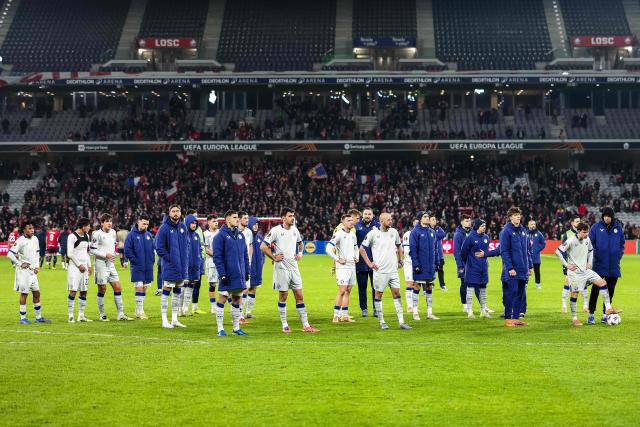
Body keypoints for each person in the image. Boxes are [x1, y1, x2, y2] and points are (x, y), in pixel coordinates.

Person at [261, 207, 320, 333]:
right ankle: (284, 325)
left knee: (300, 296)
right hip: (282, 269)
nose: (292, 218)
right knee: (284, 295)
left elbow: (300, 243)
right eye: (289, 216)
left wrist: (300, 253)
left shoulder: (295, 230)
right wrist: (274, 257)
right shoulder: (276, 230)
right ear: (283, 218)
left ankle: (306, 325)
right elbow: (263, 246)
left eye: (293, 215)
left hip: (294, 268)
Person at [556, 222, 620, 326]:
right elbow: (558, 251)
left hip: (585, 270)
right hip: (574, 273)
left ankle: (608, 308)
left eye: (587, 232)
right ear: (579, 231)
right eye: (584, 232)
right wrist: (567, 265)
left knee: (602, 283)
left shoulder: (587, 239)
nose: (586, 234)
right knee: (574, 294)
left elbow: (591, 251)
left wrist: (590, 262)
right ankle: (574, 319)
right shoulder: (571, 240)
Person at [359, 212, 411, 330]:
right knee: (378, 294)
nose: (390, 221)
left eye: (391, 219)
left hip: (393, 271)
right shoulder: (373, 233)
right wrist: (369, 263)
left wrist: (400, 260)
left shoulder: (394, 232)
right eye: (388, 220)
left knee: (397, 294)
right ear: (381, 221)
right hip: (380, 271)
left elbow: (399, 246)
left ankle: (401, 322)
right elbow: (361, 249)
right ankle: (382, 322)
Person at [212, 210, 250, 337]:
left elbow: (245, 255)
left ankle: (236, 327)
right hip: (226, 275)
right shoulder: (220, 236)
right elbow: (217, 257)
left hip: (239, 275)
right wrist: (222, 274)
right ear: (227, 220)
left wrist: (247, 271)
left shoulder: (240, 235)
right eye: (234, 217)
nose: (237, 219)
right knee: (222, 298)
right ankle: (220, 328)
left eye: (237, 217)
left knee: (237, 299)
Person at [90, 213, 132, 321]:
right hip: (100, 264)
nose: (109, 223)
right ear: (102, 222)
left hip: (111, 264)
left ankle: (121, 314)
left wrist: (113, 254)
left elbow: (113, 245)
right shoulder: (96, 234)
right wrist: (105, 255)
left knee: (118, 287)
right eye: (107, 221)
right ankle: (102, 314)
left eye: (111, 221)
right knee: (102, 288)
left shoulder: (113, 233)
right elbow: (92, 249)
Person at [7, 221, 51, 324]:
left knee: (37, 293)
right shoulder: (20, 241)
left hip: (32, 271)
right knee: (24, 294)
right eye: (29, 228)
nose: (32, 230)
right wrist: (19, 263)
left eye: (32, 228)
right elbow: (10, 254)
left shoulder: (35, 239)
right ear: (24, 230)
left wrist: (37, 266)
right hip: (23, 272)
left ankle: (39, 317)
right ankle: (23, 318)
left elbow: (37, 253)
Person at [587, 207, 625, 324]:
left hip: (613, 265)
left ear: (612, 217)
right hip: (598, 265)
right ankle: (591, 314)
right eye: (605, 216)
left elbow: (622, 244)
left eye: (608, 216)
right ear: (602, 216)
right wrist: (595, 255)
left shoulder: (618, 228)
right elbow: (589, 243)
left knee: (610, 291)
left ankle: (605, 314)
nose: (606, 218)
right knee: (595, 291)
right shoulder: (596, 228)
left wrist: (618, 255)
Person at [155, 204, 189, 329]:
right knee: (166, 292)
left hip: (181, 266)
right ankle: (164, 320)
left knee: (177, 293)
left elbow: (187, 244)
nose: (176, 213)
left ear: (180, 213)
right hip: (170, 266)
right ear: (169, 213)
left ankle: (174, 319)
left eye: (178, 211)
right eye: (173, 211)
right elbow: (159, 247)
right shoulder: (164, 228)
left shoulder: (183, 227)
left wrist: (185, 259)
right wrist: (170, 259)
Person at [460, 219, 500, 318]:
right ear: (477, 226)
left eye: (484, 225)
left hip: (483, 268)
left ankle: (483, 311)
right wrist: (469, 262)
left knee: (483, 289)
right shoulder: (470, 238)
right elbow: (463, 252)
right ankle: (470, 311)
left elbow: (485, 252)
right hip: (472, 268)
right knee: (470, 289)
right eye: (482, 226)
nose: (484, 227)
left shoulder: (486, 237)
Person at [499, 207, 532, 327]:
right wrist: (510, 268)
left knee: (520, 294)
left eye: (519, 215)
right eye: (515, 215)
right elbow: (504, 251)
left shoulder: (523, 230)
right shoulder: (506, 231)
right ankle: (508, 319)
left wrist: (529, 266)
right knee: (511, 293)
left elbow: (526, 251)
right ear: (510, 217)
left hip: (523, 269)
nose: (518, 217)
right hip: (513, 269)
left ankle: (516, 318)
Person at [327, 213, 359, 323]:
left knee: (348, 291)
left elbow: (356, 247)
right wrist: (337, 259)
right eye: (349, 220)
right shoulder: (339, 234)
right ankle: (336, 315)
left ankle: (344, 315)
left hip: (352, 266)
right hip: (343, 267)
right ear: (343, 222)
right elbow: (328, 248)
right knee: (342, 290)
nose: (351, 222)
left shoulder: (353, 234)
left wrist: (357, 256)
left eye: (352, 220)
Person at [124, 214, 155, 319]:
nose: (145, 226)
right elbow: (127, 250)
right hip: (137, 266)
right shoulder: (131, 235)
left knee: (145, 288)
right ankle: (141, 311)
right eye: (144, 223)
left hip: (148, 267)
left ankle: (138, 310)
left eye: (147, 224)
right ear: (138, 222)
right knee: (139, 287)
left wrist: (152, 260)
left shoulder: (149, 235)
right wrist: (134, 261)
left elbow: (152, 249)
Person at [410, 211, 439, 320]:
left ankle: (429, 312)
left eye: (428, 216)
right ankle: (415, 312)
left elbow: (435, 249)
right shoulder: (415, 232)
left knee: (430, 286)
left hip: (430, 266)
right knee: (417, 286)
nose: (427, 218)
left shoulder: (431, 231)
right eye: (425, 217)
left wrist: (436, 262)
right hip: (420, 265)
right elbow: (413, 250)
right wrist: (416, 265)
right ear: (420, 219)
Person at [66, 218, 93, 323]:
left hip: (84, 267)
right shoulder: (72, 237)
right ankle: (70, 315)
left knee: (84, 291)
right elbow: (70, 254)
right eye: (88, 226)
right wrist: (79, 265)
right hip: (74, 267)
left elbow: (86, 252)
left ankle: (81, 315)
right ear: (83, 226)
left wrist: (89, 265)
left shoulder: (86, 236)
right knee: (73, 291)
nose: (89, 228)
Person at [355, 207, 380, 317]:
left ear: (372, 215)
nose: (367, 216)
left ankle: (376, 308)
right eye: (365, 214)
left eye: (369, 214)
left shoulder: (378, 226)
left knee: (375, 287)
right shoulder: (356, 227)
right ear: (362, 215)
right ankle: (364, 308)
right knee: (362, 286)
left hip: (375, 262)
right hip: (360, 262)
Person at [561, 215, 588, 313]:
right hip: (571, 266)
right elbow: (563, 252)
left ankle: (585, 305)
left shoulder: (584, 233)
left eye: (579, 221)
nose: (578, 223)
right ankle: (564, 305)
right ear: (572, 223)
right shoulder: (567, 234)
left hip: (582, 265)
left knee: (584, 284)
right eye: (576, 221)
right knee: (568, 284)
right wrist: (565, 266)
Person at [454, 214, 480, 312]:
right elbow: (456, 251)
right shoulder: (458, 234)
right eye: (466, 221)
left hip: (474, 263)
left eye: (469, 220)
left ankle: (483, 306)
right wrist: (460, 265)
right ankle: (465, 306)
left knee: (478, 283)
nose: (468, 222)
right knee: (464, 284)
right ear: (461, 222)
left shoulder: (473, 232)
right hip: (464, 263)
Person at [181, 214, 203, 316]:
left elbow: (199, 251)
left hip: (195, 266)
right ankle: (179, 309)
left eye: (195, 223)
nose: (194, 225)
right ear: (187, 223)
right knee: (182, 287)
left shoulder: (197, 236)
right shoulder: (183, 235)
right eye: (192, 223)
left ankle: (185, 308)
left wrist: (199, 265)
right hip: (185, 266)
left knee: (191, 286)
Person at [245, 216, 265, 319]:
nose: (256, 226)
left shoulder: (260, 237)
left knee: (254, 288)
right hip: (248, 267)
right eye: (254, 224)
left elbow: (264, 251)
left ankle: (248, 312)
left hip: (258, 267)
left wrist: (263, 262)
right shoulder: (246, 236)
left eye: (257, 225)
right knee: (245, 289)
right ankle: (240, 313)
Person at [238, 211, 253, 323]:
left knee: (246, 289)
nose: (247, 220)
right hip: (236, 264)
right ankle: (238, 315)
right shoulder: (235, 231)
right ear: (239, 220)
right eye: (245, 218)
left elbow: (250, 245)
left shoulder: (249, 232)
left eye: (247, 218)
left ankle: (240, 314)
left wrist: (250, 259)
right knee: (237, 290)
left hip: (246, 264)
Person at [203, 215, 219, 314]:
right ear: (209, 223)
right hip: (211, 263)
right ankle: (213, 307)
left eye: (217, 221)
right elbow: (206, 249)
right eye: (214, 221)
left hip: (222, 263)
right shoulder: (205, 234)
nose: (216, 223)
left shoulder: (221, 233)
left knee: (224, 284)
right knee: (212, 284)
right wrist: (218, 255)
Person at [402, 218, 418, 313]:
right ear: (413, 224)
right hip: (409, 263)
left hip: (418, 264)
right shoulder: (407, 235)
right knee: (409, 283)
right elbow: (407, 251)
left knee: (416, 285)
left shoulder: (421, 234)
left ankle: (414, 306)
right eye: (415, 223)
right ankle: (409, 306)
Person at [527, 219, 546, 289]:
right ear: (528, 225)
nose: (533, 225)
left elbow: (543, 243)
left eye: (534, 224)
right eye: (531, 224)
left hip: (536, 257)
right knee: (526, 271)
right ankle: (525, 284)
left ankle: (538, 284)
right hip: (527, 257)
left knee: (537, 271)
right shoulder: (525, 233)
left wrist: (537, 249)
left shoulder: (538, 233)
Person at [431, 216, 447, 291]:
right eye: (433, 219)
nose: (435, 221)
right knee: (432, 269)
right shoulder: (427, 229)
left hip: (440, 254)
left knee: (440, 269)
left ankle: (442, 285)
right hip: (431, 254)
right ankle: (432, 284)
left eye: (435, 219)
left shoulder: (438, 228)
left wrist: (433, 235)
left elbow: (443, 234)